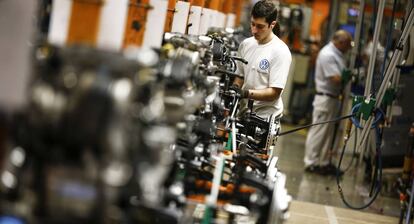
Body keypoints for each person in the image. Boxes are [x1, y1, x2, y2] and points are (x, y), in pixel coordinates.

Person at [232, 0, 292, 119]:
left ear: (272, 24)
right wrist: (235, 89)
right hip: (244, 111)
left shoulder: (280, 51)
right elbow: (240, 76)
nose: (254, 30)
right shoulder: (246, 44)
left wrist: (246, 93)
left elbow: (274, 93)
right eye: (253, 24)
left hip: (265, 117)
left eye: (260, 26)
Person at [303, 30, 352, 175]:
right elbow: (335, 78)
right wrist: (346, 77)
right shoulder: (328, 54)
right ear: (340, 42)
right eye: (348, 45)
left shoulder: (338, 54)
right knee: (319, 132)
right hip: (325, 98)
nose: (349, 48)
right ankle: (310, 162)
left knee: (329, 133)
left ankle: (324, 163)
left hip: (333, 98)